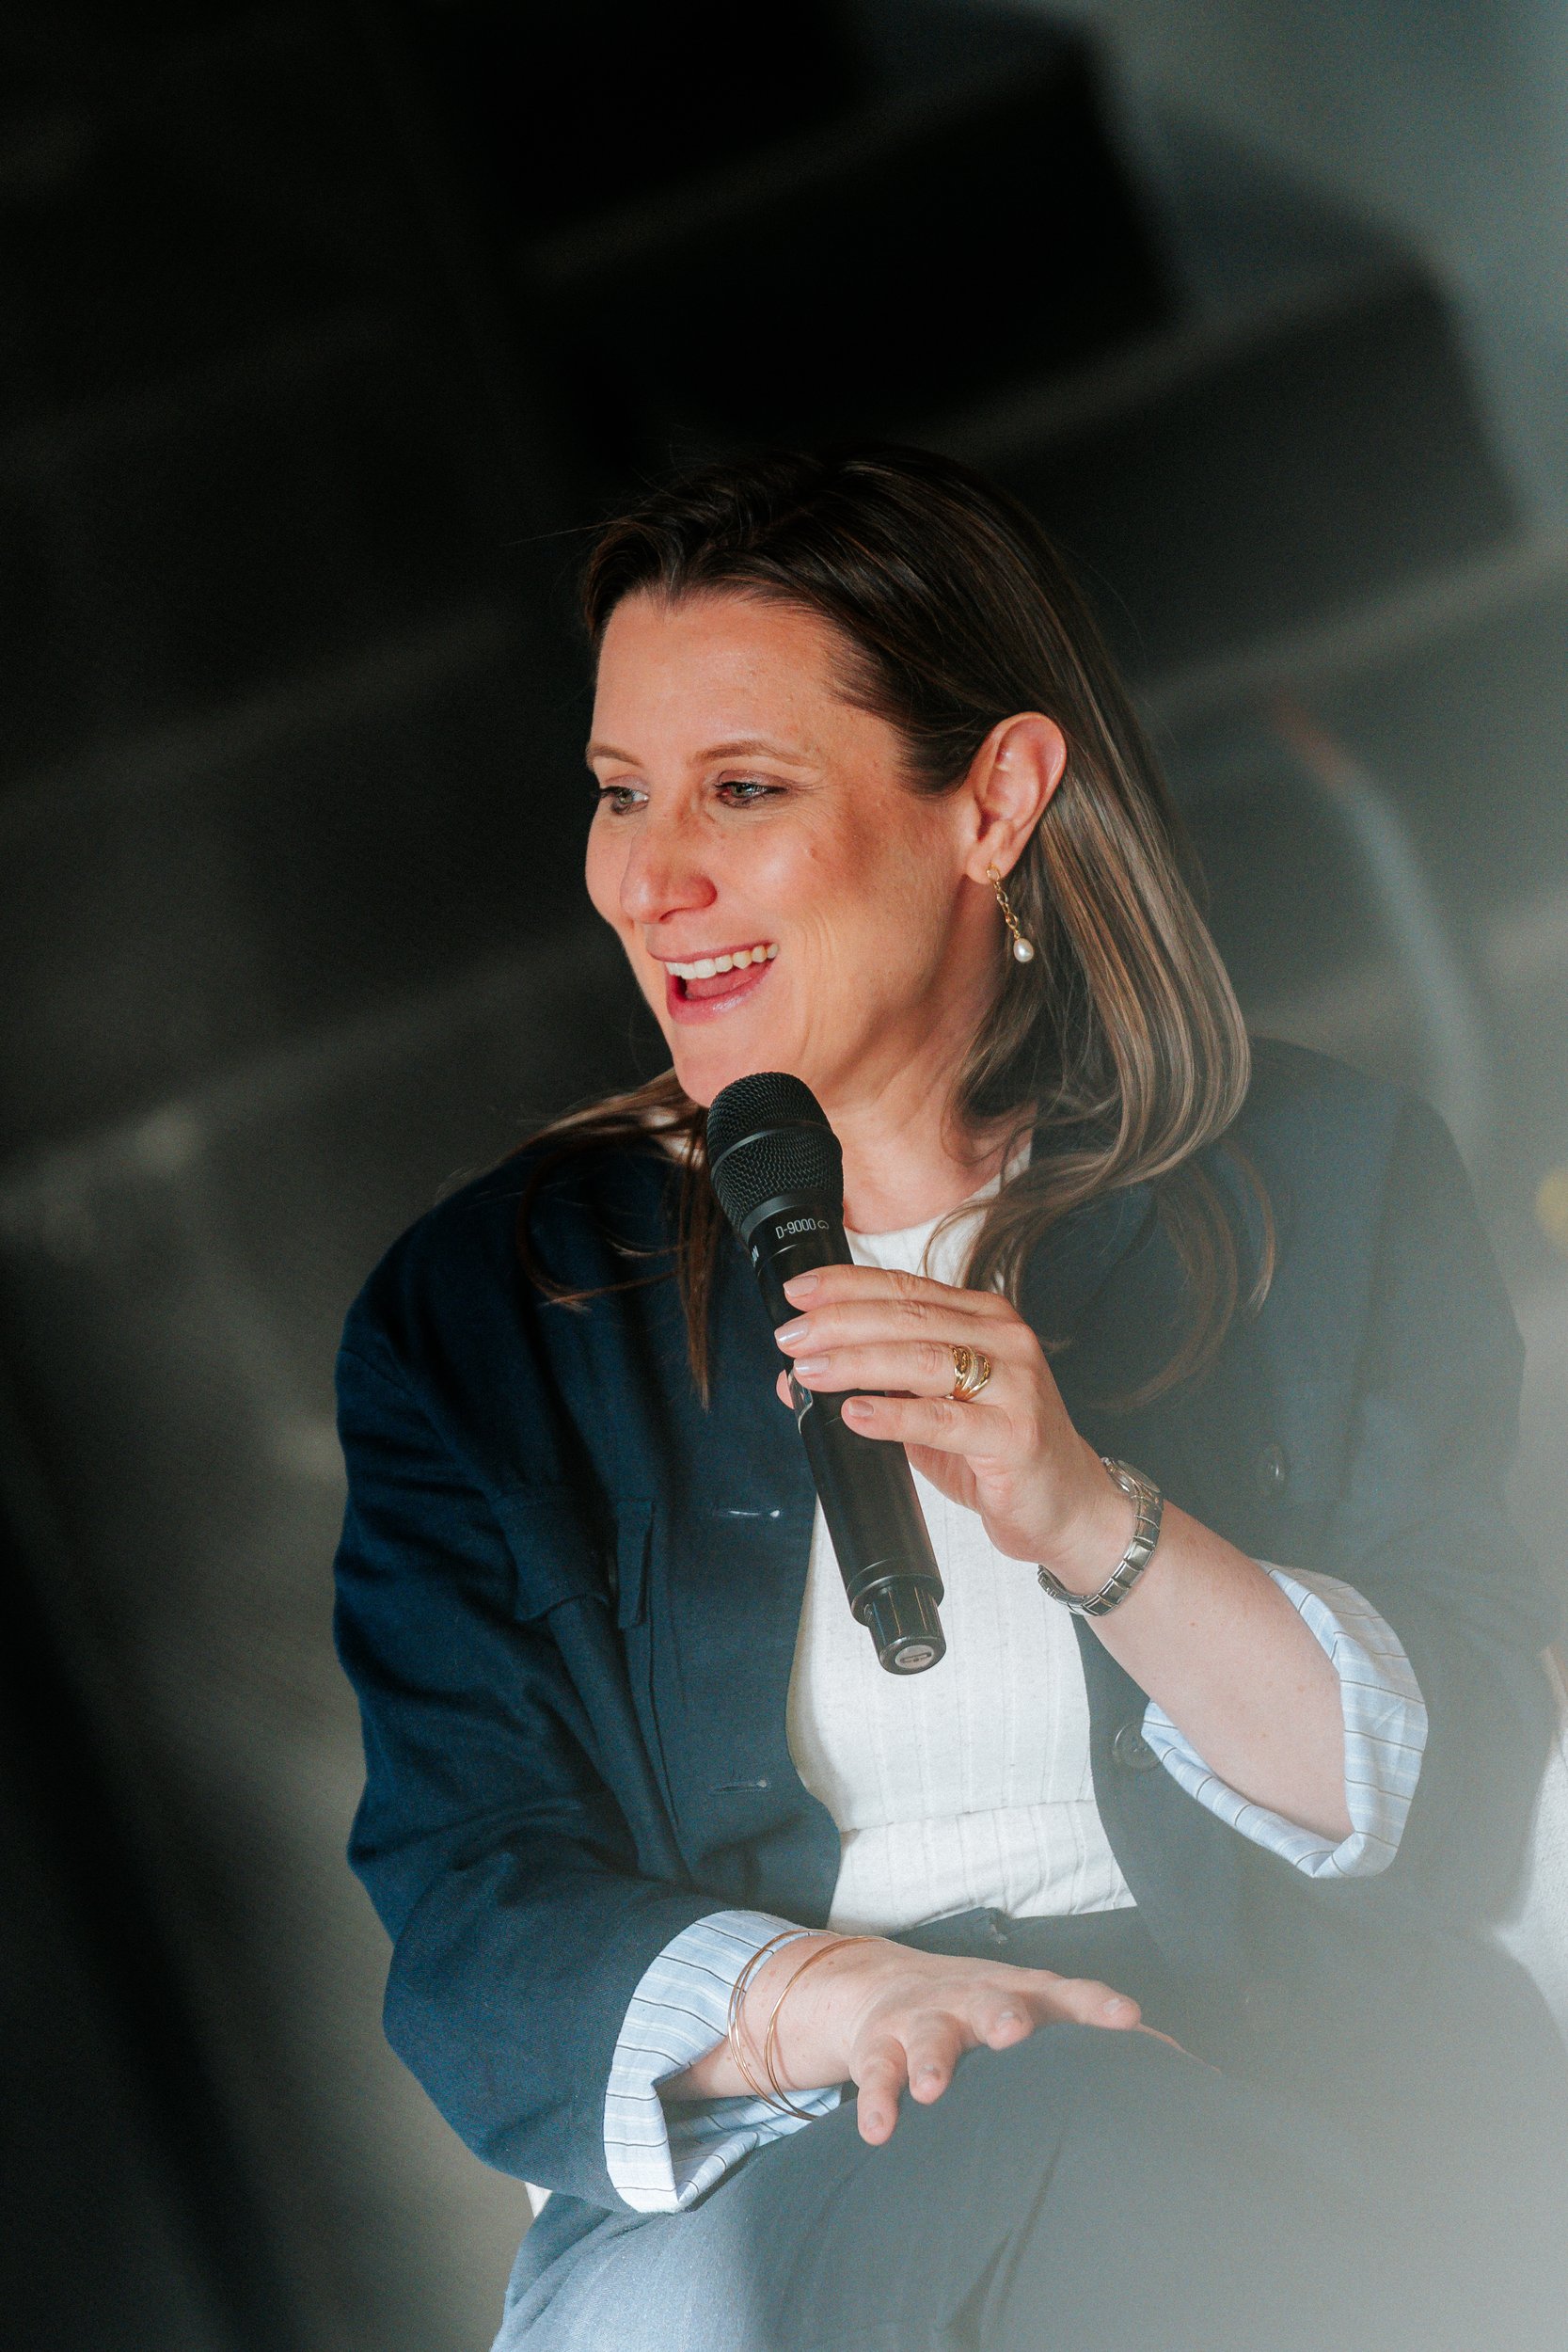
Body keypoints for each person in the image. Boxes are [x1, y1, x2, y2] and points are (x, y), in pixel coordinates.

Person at [332, 447, 1567, 2352]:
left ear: (992, 802)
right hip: (786, 2168)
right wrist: (840, 1998)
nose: (651, 878)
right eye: (620, 791)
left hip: (1285, 2106)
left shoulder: (1322, 1181)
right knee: (1072, 2139)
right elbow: (472, 1920)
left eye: (744, 789)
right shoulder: (484, 1313)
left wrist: (1093, 1517)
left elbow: (1463, 1788)